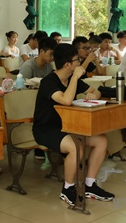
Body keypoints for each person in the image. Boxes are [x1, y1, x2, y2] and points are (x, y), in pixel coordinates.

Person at [32, 43, 114, 206]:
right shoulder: (49, 82)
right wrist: (75, 78)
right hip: (46, 129)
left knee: (101, 140)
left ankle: (90, 185)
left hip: (69, 126)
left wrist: (92, 94)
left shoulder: (71, 78)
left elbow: (97, 91)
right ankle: (68, 188)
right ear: (67, 65)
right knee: (76, 147)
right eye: (77, 60)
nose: (80, 63)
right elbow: (66, 100)